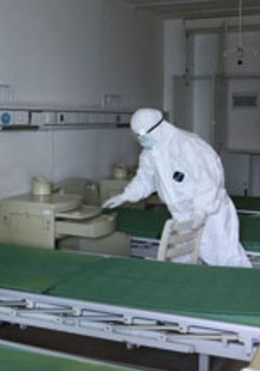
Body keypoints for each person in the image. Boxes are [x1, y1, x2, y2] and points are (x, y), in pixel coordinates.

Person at [102, 108, 252, 268]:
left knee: (225, 259)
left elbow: (209, 179)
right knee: (181, 263)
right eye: (137, 135)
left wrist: (201, 211)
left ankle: (245, 288)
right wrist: (125, 195)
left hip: (210, 215)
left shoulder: (188, 145)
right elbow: (144, 180)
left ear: (158, 127)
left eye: (143, 134)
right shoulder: (150, 153)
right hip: (181, 216)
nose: (141, 139)